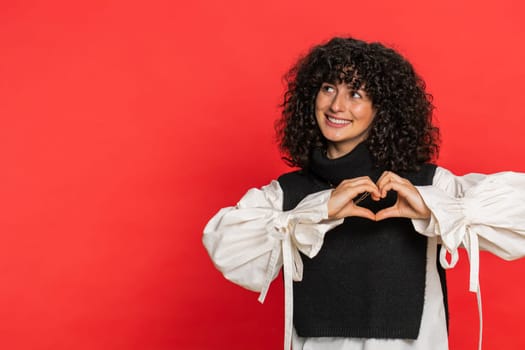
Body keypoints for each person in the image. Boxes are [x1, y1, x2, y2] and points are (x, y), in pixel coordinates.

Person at [202, 37, 525, 350]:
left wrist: (433, 207)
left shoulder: (425, 183)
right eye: (328, 88)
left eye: (355, 93)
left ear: (381, 109)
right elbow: (225, 247)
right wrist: (317, 211)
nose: (336, 105)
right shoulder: (287, 195)